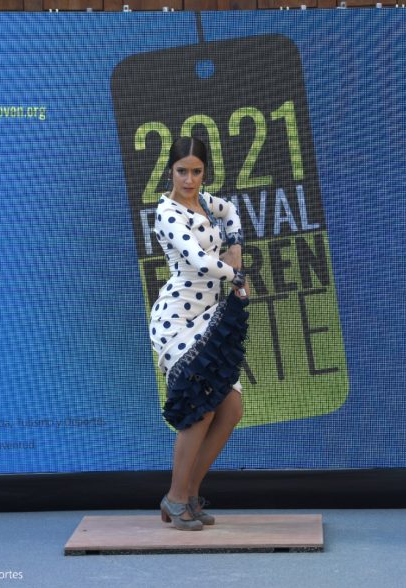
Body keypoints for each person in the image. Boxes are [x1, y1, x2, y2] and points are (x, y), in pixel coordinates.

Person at [149, 136, 249, 531]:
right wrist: (235, 274)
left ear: (204, 172)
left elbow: (232, 211)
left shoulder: (206, 203)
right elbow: (198, 260)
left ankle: (188, 494)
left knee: (231, 409)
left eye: (196, 171)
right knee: (201, 406)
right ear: (170, 171)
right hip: (176, 319)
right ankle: (175, 498)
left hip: (208, 316)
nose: (189, 180)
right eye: (182, 171)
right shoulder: (167, 212)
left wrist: (235, 246)